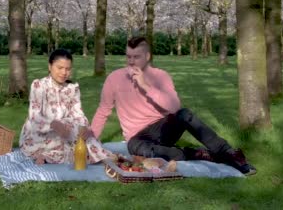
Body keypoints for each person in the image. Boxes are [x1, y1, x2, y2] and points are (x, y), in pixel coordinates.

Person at [88, 36, 256, 175]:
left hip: (163, 129)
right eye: (128, 57)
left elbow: (175, 107)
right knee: (134, 148)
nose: (131, 62)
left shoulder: (160, 76)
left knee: (184, 114)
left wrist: (146, 86)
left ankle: (228, 153)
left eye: (136, 57)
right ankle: (198, 154)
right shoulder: (114, 79)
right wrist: (92, 143)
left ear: (147, 57)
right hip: (138, 138)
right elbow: (103, 111)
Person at [19, 49, 114, 165]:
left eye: (68, 69)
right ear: (50, 66)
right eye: (60, 68)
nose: (64, 72)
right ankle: (104, 156)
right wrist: (53, 124)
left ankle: (48, 157)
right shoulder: (39, 86)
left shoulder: (72, 88)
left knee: (79, 131)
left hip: (66, 133)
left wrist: (84, 128)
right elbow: (34, 117)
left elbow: (78, 114)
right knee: (75, 139)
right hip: (38, 134)